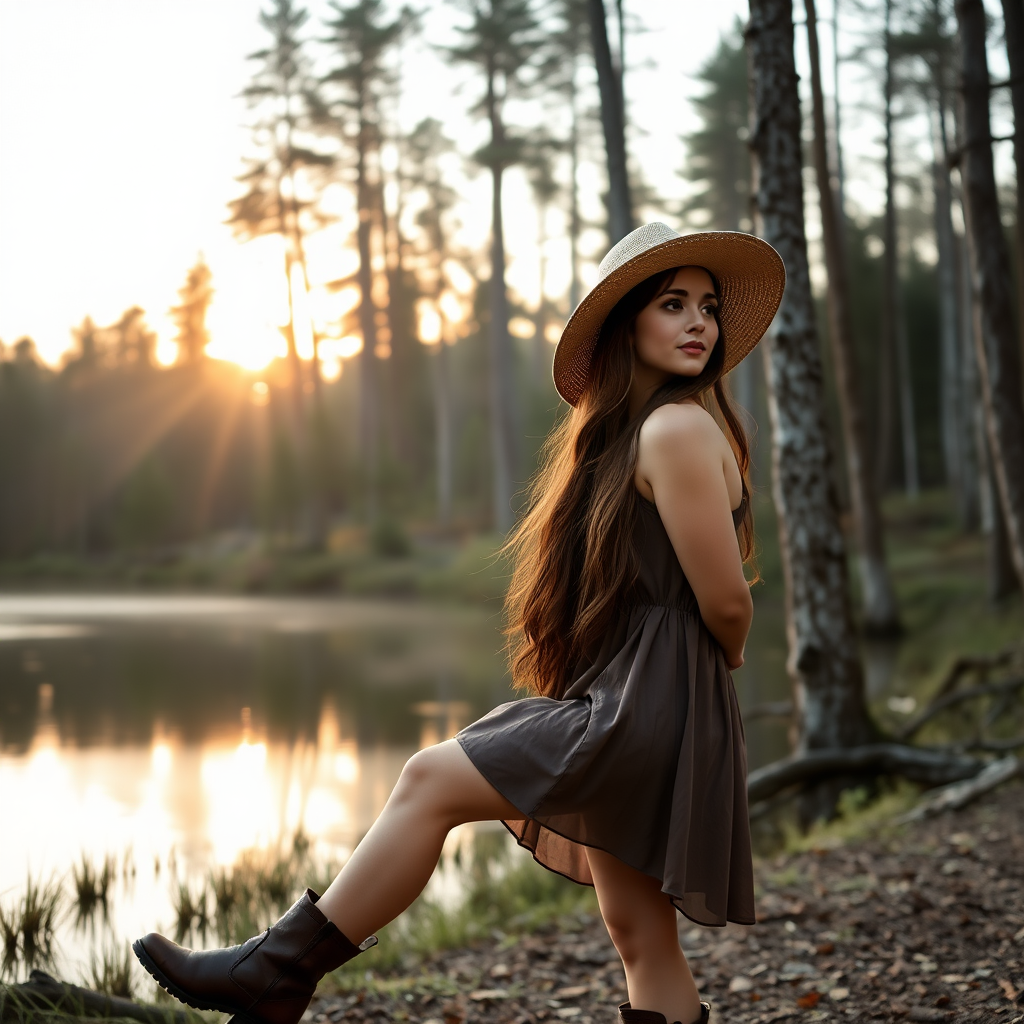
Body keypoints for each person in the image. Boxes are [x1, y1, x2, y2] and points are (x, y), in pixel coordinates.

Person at [132, 222, 785, 1024]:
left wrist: (704, 677)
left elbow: (727, 602)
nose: (698, 324)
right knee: (640, 933)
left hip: (647, 704)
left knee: (429, 778)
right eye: (673, 303)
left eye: (708, 307)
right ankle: (277, 972)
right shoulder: (629, 439)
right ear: (629, 325)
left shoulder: (676, 426)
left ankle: (278, 970)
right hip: (647, 697)